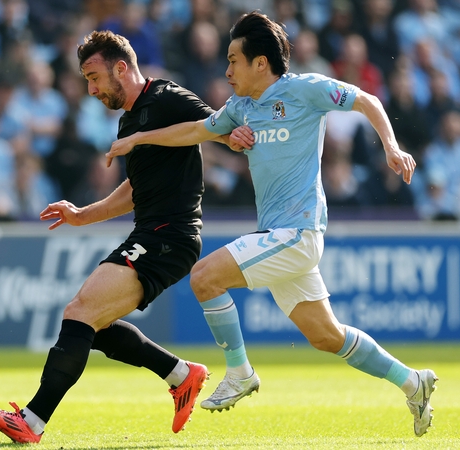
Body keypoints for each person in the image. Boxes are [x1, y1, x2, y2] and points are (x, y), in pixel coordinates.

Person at [107, 11, 437, 437]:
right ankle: (412, 382)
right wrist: (138, 138)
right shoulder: (241, 108)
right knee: (326, 336)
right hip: (279, 236)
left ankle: (240, 372)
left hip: (298, 232)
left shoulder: (305, 89)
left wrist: (391, 147)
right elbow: (192, 131)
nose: (227, 71)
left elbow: (367, 100)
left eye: (233, 61)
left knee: (204, 277)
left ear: (260, 63)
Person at [0, 30, 241, 443]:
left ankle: (31, 421)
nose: (91, 89)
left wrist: (236, 136)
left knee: (80, 311)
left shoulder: (167, 97)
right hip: (152, 232)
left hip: (171, 235)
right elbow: (135, 189)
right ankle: (180, 374)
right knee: (91, 326)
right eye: (86, 80)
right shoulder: (129, 119)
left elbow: (220, 127)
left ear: (121, 68)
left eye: (94, 77)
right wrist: (83, 215)